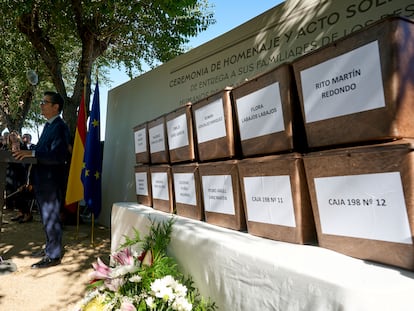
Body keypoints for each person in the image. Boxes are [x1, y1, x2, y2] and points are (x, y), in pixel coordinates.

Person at [13, 91, 70, 269]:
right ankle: (49, 248)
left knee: (51, 216)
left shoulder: (60, 127)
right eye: (41, 102)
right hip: (41, 179)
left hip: (51, 180)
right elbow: (40, 149)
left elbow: (58, 156)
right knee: (45, 218)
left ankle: (53, 256)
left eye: (45, 102)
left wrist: (33, 152)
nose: (41, 105)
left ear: (56, 107)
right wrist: (23, 148)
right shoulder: (48, 126)